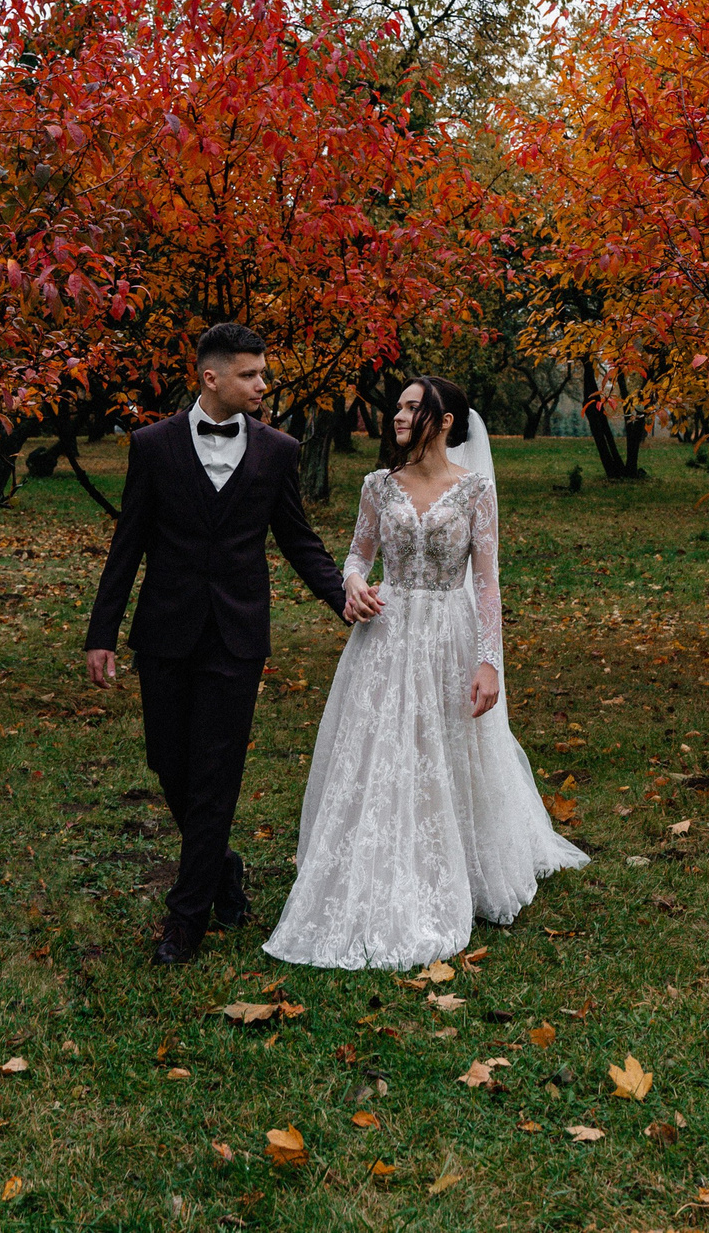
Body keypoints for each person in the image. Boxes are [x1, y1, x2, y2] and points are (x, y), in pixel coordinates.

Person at [263, 374, 588, 971]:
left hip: (449, 634)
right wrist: (354, 580)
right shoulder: (377, 486)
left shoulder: (475, 492)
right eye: (399, 406)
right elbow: (360, 553)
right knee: (383, 750)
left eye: (415, 407)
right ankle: (375, 858)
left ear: (443, 421)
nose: (400, 416)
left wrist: (490, 661)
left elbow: (487, 582)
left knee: (444, 745)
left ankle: (455, 860)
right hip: (385, 634)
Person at [83, 323, 349, 965]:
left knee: (217, 775)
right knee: (168, 762)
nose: (263, 384)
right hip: (165, 632)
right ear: (211, 377)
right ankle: (221, 863)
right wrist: (102, 633)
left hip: (236, 637)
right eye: (251, 374)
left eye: (263, 373)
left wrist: (343, 597)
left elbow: (298, 539)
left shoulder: (278, 452)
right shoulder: (152, 446)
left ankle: (186, 917)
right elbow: (129, 544)